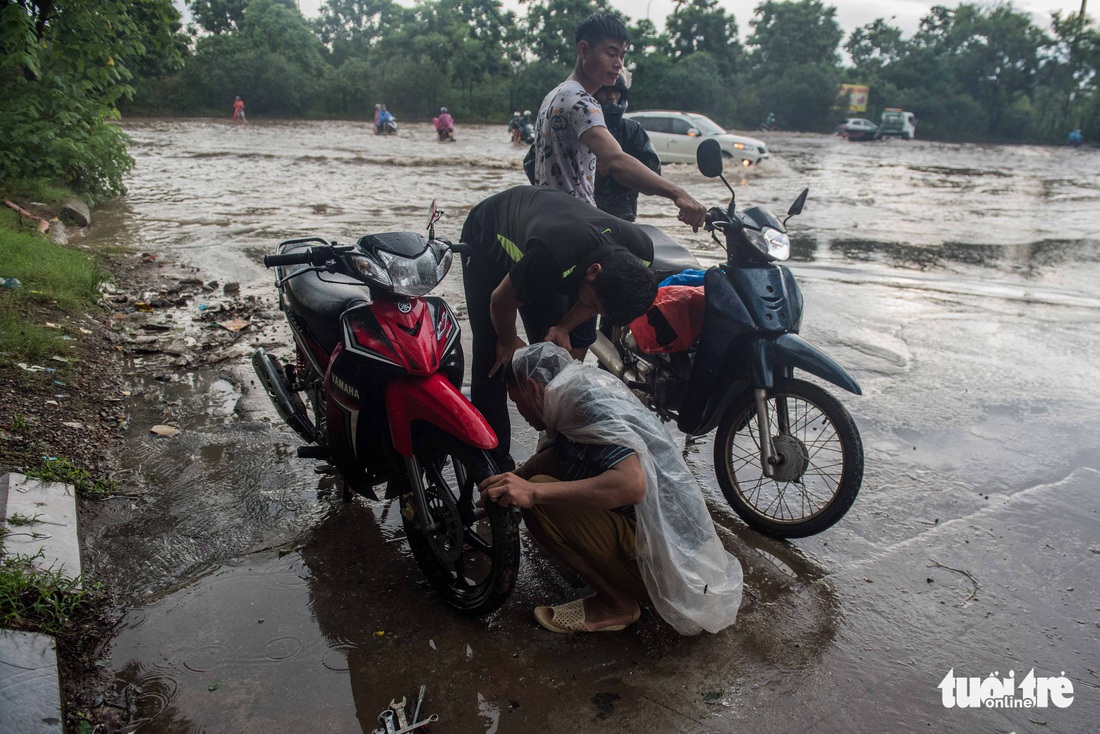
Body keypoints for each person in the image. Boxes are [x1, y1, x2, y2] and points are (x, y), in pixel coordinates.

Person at [478, 343, 743, 635]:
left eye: (517, 402)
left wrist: (531, 492)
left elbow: (632, 485)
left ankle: (617, 605)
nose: (522, 412)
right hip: (676, 543)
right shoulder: (579, 387)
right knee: (544, 465)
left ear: (532, 386)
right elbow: (554, 457)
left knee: (540, 497)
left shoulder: (584, 407)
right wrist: (512, 480)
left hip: (670, 567)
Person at [460, 185, 657, 469]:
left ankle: (561, 451)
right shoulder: (552, 257)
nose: (592, 310)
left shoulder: (642, 254)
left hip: (559, 250)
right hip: (488, 238)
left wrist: (564, 327)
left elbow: (590, 307)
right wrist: (508, 338)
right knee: (495, 360)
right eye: (594, 304)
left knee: (555, 365)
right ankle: (492, 460)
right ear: (593, 272)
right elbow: (500, 301)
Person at [531, 14, 705, 231]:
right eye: (611, 53)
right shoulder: (582, 102)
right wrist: (677, 193)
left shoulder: (554, 95)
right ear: (584, 50)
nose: (618, 64)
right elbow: (616, 161)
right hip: (577, 226)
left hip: (548, 221)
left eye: (622, 56)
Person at [592, 71, 659, 222]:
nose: (612, 97)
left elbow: (653, 175)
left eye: (616, 91)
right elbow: (536, 166)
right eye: (605, 91)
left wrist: (619, 169)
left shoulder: (633, 131)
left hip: (621, 216)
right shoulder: (572, 124)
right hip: (578, 214)